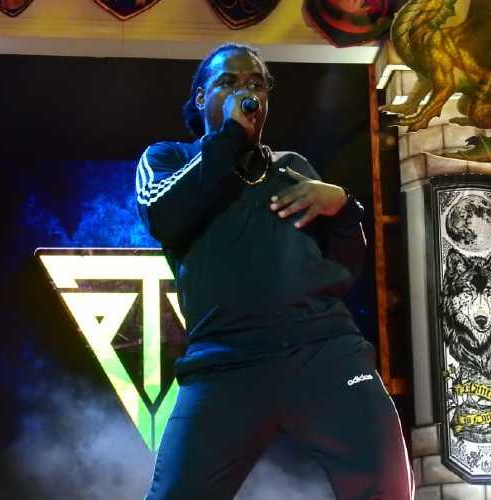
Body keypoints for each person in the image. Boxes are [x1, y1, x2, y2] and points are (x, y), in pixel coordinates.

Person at [136, 43, 414, 500]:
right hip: (225, 363)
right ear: (201, 97)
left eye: (256, 85)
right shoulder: (168, 159)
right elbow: (162, 213)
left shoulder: (292, 168)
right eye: (229, 83)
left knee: (387, 484)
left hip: (321, 351)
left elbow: (343, 271)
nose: (247, 94)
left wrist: (344, 208)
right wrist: (228, 137)